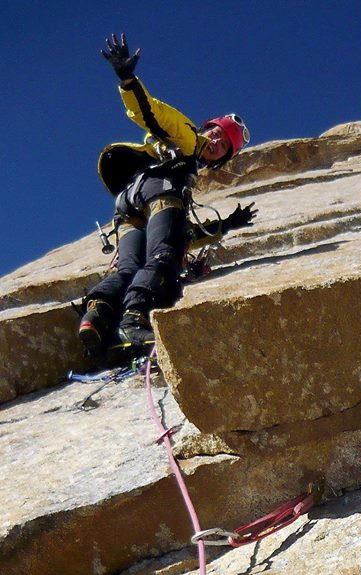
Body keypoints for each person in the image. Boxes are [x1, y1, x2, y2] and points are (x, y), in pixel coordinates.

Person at [79, 33, 256, 360]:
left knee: (129, 266)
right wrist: (128, 80)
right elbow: (153, 113)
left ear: (223, 159)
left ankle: (98, 315)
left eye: (224, 146)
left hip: (129, 204)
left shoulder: (180, 155)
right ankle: (132, 321)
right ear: (206, 128)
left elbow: (184, 232)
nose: (216, 142)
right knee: (166, 255)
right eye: (216, 134)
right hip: (157, 191)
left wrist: (225, 226)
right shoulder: (187, 138)